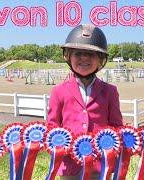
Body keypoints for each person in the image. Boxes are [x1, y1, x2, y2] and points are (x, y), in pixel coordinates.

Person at [47, 24, 123, 179]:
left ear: (101, 59)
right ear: (68, 56)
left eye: (91, 54)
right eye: (78, 54)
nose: (84, 58)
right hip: (70, 166)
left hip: (100, 166)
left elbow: (116, 126)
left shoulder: (110, 91)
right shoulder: (58, 91)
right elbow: (52, 127)